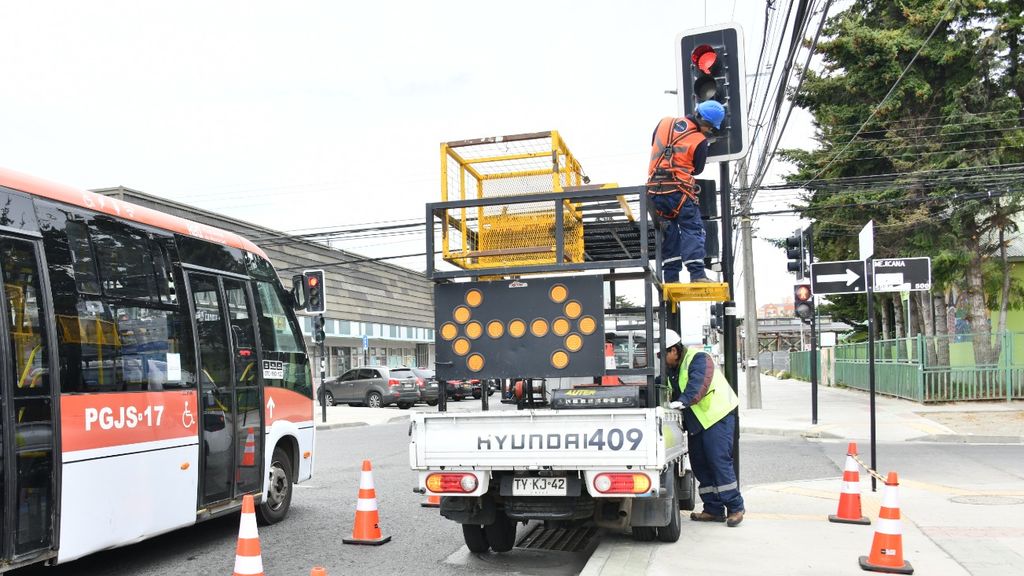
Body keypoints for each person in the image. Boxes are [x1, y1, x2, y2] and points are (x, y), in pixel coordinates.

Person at [660, 328, 744, 526]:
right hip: (697, 422)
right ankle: (713, 509)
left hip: (717, 417)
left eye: (661, 354)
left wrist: (683, 401)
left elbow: (698, 384)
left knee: (718, 461)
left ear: (674, 350)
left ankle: (735, 508)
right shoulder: (672, 371)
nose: (660, 360)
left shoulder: (698, 358)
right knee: (700, 464)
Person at [646, 100, 725, 284]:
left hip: (655, 190)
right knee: (692, 229)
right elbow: (697, 169)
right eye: (710, 128)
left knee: (669, 232)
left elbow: (655, 143)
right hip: (679, 191)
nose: (708, 131)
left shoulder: (664, 122)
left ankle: (671, 278)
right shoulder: (699, 140)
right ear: (707, 123)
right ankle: (697, 275)